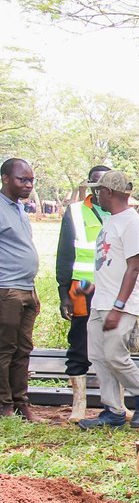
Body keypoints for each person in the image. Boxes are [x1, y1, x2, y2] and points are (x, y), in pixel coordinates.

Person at [78, 171, 139, 430]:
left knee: (115, 355)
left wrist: (119, 306)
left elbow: (134, 268)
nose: (96, 195)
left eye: (99, 190)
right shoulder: (111, 221)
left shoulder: (131, 223)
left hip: (119, 305)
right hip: (101, 300)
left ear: (110, 192)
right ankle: (113, 410)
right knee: (99, 357)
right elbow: (111, 262)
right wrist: (93, 287)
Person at [56, 165, 111, 422]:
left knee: (113, 346)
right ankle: (79, 404)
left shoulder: (122, 213)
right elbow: (65, 255)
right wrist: (63, 293)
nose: (100, 191)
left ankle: (115, 404)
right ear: (89, 186)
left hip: (112, 290)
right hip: (82, 289)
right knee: (79, 343)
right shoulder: (75, 213)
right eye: (96, 186)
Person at [0, 158, 40, 420]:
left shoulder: (19, 209)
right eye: (22, 179)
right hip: (7, 289)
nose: (28, 184)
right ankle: (4, 405)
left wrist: (33, 289)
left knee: (24, 349)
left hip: (27, 289)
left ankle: (20, 402)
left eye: (31, 180)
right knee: (5, 349)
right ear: (5, 178)